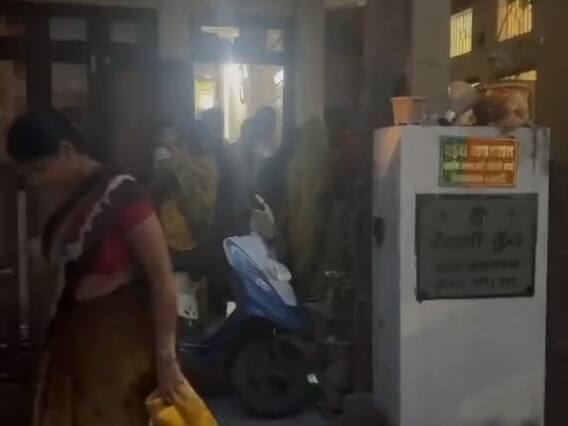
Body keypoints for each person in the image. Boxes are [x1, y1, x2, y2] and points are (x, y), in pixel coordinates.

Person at [7, 110, 185, 426]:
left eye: (39, 169)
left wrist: (166, 358)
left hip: (120, 361)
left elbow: (162, 278)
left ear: (66, 151)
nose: (36, 182)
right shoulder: (73, 202)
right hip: (75, 356)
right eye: (28, 175)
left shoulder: (126, 196)